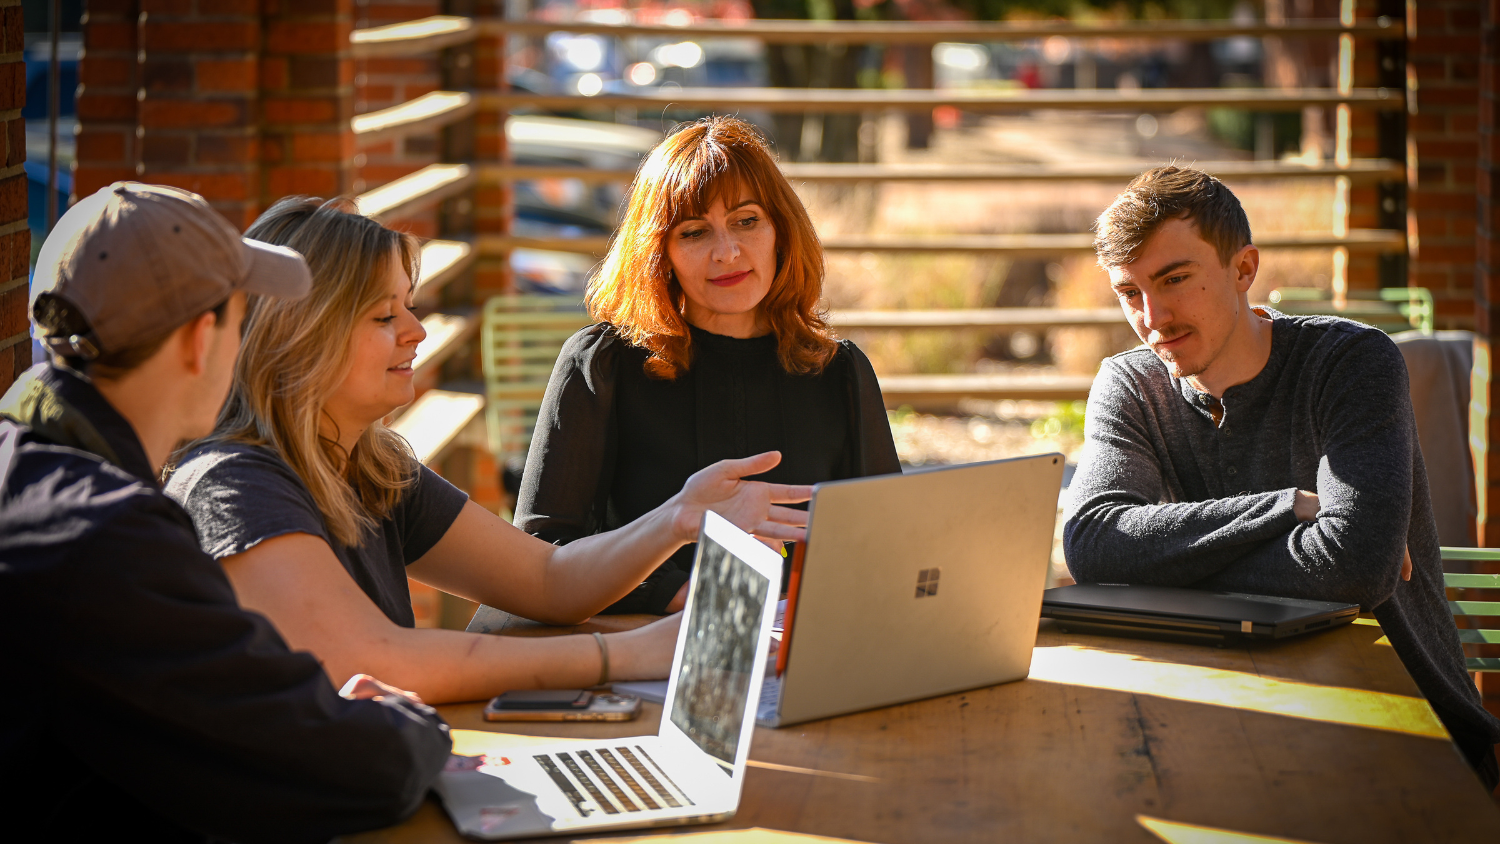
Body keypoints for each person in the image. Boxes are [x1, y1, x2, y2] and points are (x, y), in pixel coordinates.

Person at [166, 197, 811, 706]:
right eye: (384, 317)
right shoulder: (234, 485)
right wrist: (634, 654)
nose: (416, 332)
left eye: (409, 308)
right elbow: (378, 659)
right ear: (303, 337)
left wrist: (677, 517)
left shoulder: (369, 467)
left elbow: (547, 582)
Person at [0, 183, 452, 842]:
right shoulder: (109, 537)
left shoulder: (32, 473)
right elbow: (345, 767)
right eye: (241, 318)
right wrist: (404, 719)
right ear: (197, 339)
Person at [1064, 165, 1500, 788]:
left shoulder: (1351, 361)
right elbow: (1093, 545)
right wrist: (1288, 508)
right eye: (1129, 293)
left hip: (1415, 725)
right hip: (1234, 709)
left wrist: (1166, 562)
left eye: (1175, 279)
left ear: (1243, 269)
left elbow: (1357, 568)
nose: (1153, 316)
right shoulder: (1129, 386)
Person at [515, 116, 901, 615]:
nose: (727, 252)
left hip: (808, 650)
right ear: (660, 254)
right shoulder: (601, 366)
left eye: (746, 221)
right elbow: (543, 552)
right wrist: (688, 599)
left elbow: (888, 543)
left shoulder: (838, 373)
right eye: (695, 233)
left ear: (780, 231)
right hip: (640, 647)